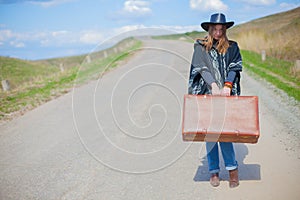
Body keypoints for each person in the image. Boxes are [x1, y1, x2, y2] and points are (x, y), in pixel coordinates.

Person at [188, 13, 242, 188]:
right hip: (208, 94)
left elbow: (235, 66)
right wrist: (213, 85)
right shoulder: (200, 47)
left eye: (221, 29)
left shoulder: (232, 47)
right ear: (210, 29)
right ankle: (214, 172)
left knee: (225, 133)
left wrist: (227, 85)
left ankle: (233, 170)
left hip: (226, 95)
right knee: (210, 134)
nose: (218, 33)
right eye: (215, 29)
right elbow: (201, 67)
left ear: (225, 30)